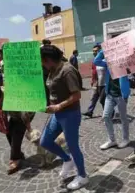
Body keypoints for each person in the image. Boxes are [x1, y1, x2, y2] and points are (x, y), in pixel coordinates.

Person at [39, 45, 88, 190]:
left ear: (47, 59)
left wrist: (58, 106)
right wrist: (50, 106)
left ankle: (83, 176)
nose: (41, 64)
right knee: (45, 141)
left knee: (73, 146)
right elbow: (54, 90)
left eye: (42, 61)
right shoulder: (52, 70)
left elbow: (77, 95)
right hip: (57, 114)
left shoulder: (67, 70)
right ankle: (67, 160)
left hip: (70, 114)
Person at [93, 50, 130, 150]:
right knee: (105, 116)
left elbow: (132, 70)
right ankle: (112, 140)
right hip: (110, 94)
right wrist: (103, 51)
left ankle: (126, 138)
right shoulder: (108, 64)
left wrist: (126, 94)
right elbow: (96, 61)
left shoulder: (124, 64)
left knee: (123, 118)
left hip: (121, 95)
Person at [82, 44, 106, 118]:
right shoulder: (94, 60)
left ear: (100, 51)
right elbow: (93, 71)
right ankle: (90, 111)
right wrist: (93, 80)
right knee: (94, 97)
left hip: (103, 82)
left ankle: (108, 113)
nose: (94, 52)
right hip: (96, 82)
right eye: (93, 51)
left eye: (96, 51)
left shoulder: (103, 60)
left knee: (102, 99)